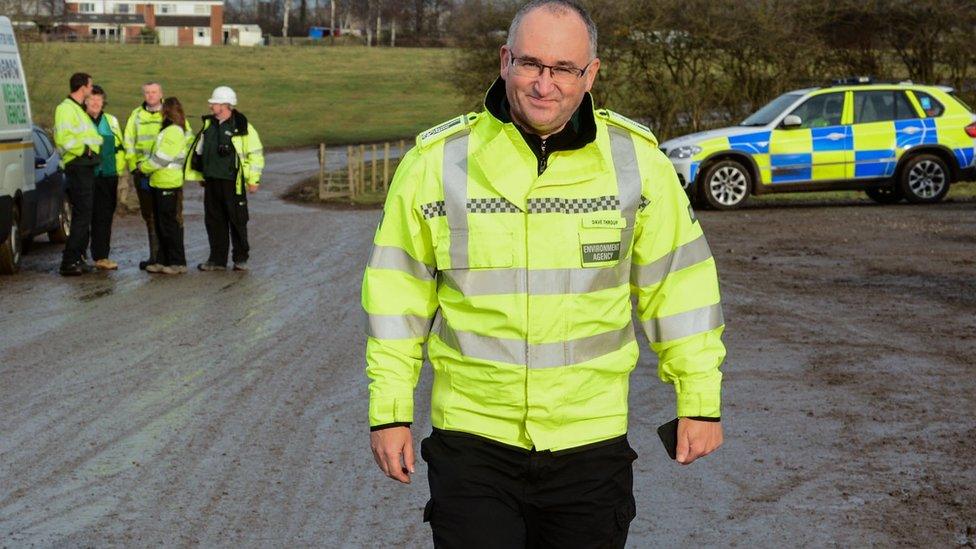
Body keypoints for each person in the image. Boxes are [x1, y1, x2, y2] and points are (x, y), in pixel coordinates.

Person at [362, 1, 726, 547]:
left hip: (590, 442)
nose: (544, 84)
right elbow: (396, 301)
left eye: (564, 69)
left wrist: (699, 401)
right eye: (531, 63)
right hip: (472, 440)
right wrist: (388, 413)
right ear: (505, 60)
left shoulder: (637, 163)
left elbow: (680, 289)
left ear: (591, 74)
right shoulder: (436, 164)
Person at [185, 86, 264, 272]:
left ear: (224, 105)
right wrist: (200, 174)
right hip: (212, 182)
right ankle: (217, 260)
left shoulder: (243, 127)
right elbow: (200, 152)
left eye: (214, 103)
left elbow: (255, 155)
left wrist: (254, 180)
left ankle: (240, 259)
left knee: (237, 221)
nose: (210, 106)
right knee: (214, 222)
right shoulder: (209, 125)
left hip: (232, 182)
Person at [54, 72, 101, 276]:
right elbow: (64, 138)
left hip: (85, 165)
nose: (92, 90)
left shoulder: (77, 109)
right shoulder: (66, 109)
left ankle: (79, 257)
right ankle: (70, 260)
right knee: (82, 214)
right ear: (82, 87)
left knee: (85, 214)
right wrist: (85, 150)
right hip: (78, 164)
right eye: (90, 87)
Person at [139, 97, 191, 275]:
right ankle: (163, 259)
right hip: (160, 181)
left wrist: (143, 167)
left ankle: (177, 261)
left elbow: (162, 158)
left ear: (167, 111)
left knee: (169, 224)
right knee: (162, 223)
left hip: (168, 181)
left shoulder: (174, 131)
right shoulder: (169, 130)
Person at [123, 82, 169, 270]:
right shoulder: (136, 115)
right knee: (149, 215)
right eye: (147, 92)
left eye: (154, 92)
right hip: (142, 173)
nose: (150, 95)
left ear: (161, 94)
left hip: (166, 172)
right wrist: (134, 167)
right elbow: (129, 142)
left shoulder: (169, 112)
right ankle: (155, 256)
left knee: (168, 215)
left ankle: (171, 256)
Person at [85, 85, 125, 271]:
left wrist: (117, 169)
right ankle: (79, 255)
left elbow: (120, 147)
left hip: (108, 176)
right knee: (83, 218)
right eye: (91, 99)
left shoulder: (111, 121)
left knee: (103, 218)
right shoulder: (80, 120)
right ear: (85, 101)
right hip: (85, 176)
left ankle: (101, 256)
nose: (95, 102)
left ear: (103, 102)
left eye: (98, 99)